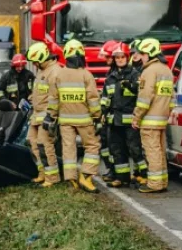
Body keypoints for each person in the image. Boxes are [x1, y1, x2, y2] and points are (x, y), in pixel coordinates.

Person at [45, 39, 102, 193]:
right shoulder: (86, 75)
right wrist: (97, 117)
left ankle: (71, 178)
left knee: (68, 149)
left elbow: (53, 99)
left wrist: (51, 116)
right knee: (92, 146)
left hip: (65, 121)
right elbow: (93, 99)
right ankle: (86, 176)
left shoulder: (59, 75)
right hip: (84, 120)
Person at [132, 37, 175, 193]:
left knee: (152, 151)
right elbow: (172, 98)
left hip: (149, 120)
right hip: (162, 119)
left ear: (149, 53)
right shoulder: (166, 70)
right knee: (160, 151)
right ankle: (162, 181)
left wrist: (137, 117)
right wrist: (166, 113)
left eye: (142, 54)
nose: (141, 57)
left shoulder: (149, 71)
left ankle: (155, 184)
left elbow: (145, 98)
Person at [106, 42, 147, 187]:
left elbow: (141, 94)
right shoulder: (111, 77)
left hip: (130, 121)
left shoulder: (135, 75)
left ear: (127, 57)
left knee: (135, 150)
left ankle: (144, 175)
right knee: (117, 150)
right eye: (117, 58)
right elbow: (105, 98)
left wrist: (131, 86)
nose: (119, 60)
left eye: (122, 57)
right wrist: (101, 114)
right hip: (115, 121)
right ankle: (122, 178)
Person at [26, 43, 62, 185]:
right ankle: (42, 172)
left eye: (35, 61)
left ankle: (52, 177)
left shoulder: (55, 72)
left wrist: (51, 117)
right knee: (31, 142)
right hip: (36, 115)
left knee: (44, 145)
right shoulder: (42, 70)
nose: (34, 64)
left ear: (42, 58)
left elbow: (55, 97)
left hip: (47, 116)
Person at [98, 40, 120, 176]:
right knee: (106, 143)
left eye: (107, 57)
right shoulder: (112, 72)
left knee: (115, 146)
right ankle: (111, 169)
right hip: (109, 114)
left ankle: (115, 171)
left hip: (116, 115)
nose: (105, 60)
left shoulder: (119, 72)